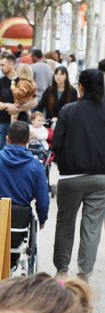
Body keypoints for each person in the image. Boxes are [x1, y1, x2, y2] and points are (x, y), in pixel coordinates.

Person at [51, 68, 105, 281]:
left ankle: (62, 270)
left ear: (80, 86)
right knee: (92, 227)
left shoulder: (69, 110)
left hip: (70, 177)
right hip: (101, 178)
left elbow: (57, 143)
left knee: (65, 223)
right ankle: (84, 275)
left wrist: (64, 163)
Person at [0, 121, 50, 227]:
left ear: (7, 139)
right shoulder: (37, 166)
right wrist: (42, 220)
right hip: (20, 223)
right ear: (28, 140)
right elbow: (43, 201)